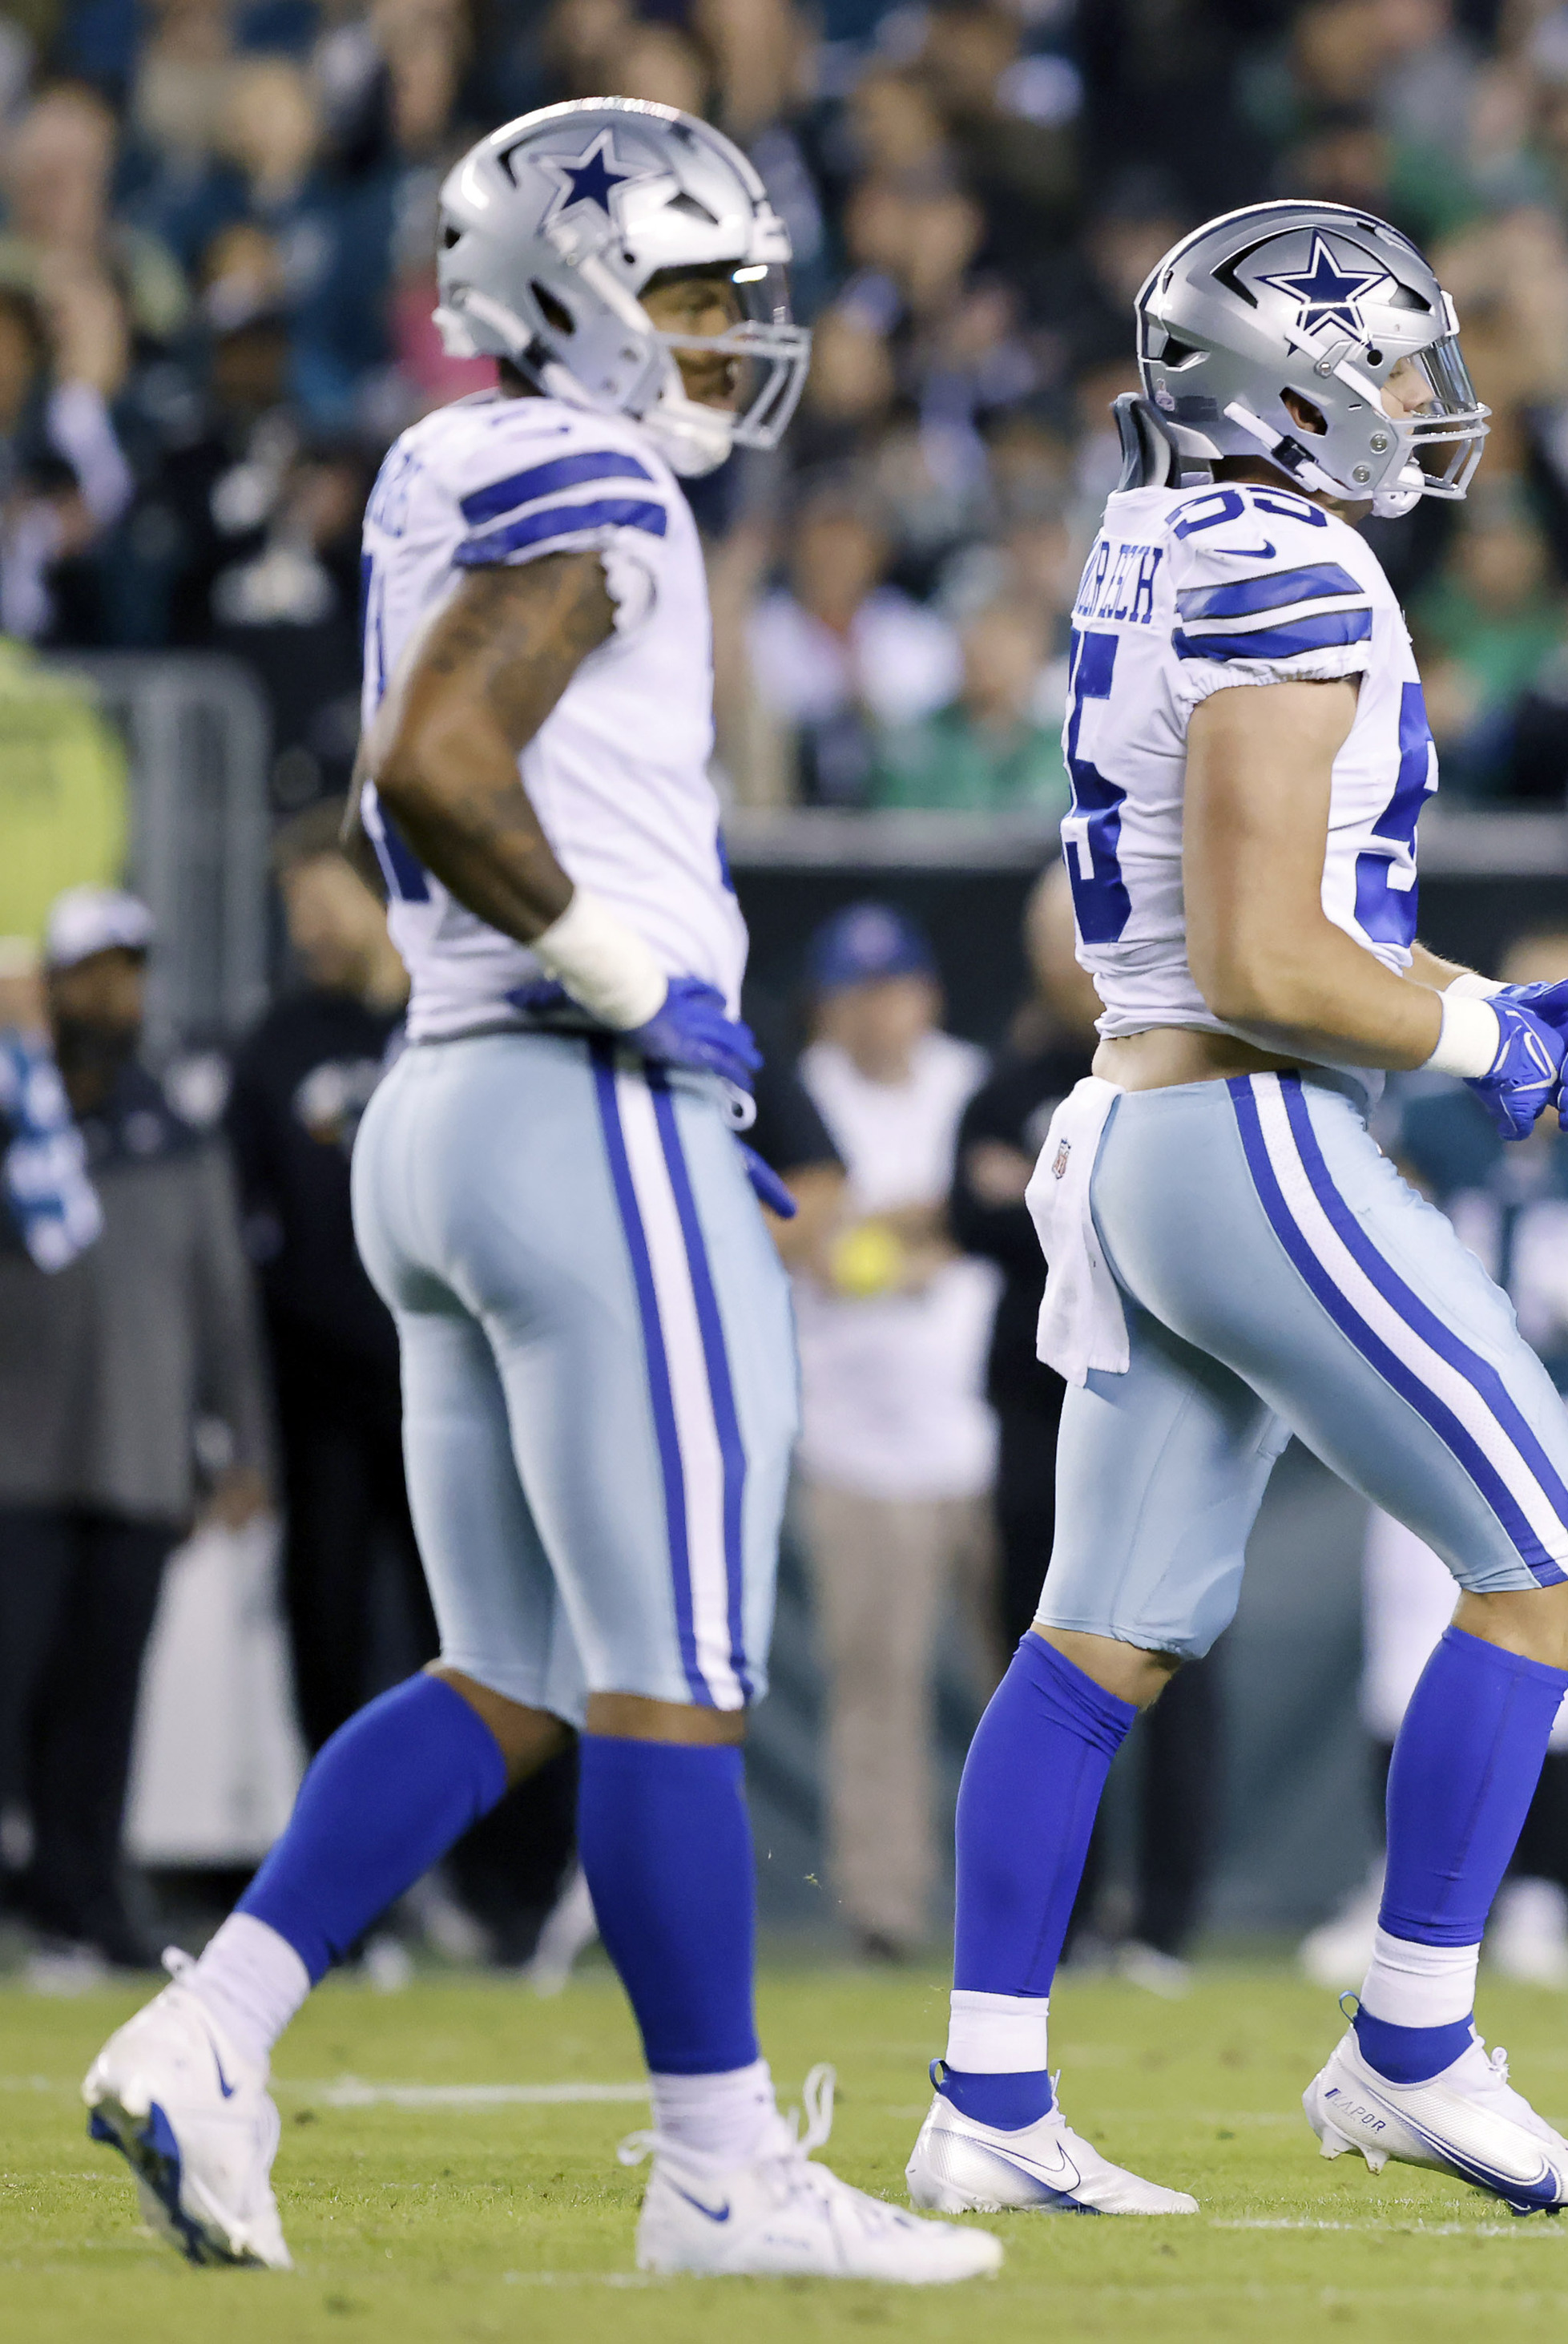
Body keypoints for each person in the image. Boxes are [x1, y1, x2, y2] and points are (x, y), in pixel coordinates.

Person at [79, 99, 998, 2283]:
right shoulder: (593, 482)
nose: (729, 338)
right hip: (575, 1087)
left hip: (453, 1099)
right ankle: (717, 2168)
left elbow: (440, 764)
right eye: (690, 295)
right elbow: (437, 762)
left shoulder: (441, 464)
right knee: (671, 1662)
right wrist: (634, 982)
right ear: (573, 299)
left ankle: (215, 2026)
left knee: (515, 1663)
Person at [903, 200, 1568, 2221]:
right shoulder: (1278, 559)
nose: (1419, 400)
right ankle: (1413, 2043)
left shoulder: (1160, 532)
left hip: (1148, 1130)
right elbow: (1259, 953)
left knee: (1097, 1637)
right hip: (1248, 1126)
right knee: (1549, 1555)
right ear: (1284, 379)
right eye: (1388, 361)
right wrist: (1485, 1024)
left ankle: (986, 2094)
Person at [1302, 926, 1568, 1992]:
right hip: (1434, 1411)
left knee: (1557, 1666)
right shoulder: (1429, 1114)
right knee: (1402, 1653)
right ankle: (1398, 1885)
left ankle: (1533, 1895)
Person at [227, 811, 578, 1962]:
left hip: (465, 1385)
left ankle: (513, 1895)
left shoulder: (465, 1014)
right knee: (330, 1641)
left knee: (491, 1646)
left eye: (319, 893)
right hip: (323, 1400)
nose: (307, 923)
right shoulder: (279, 1042)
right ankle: (354, 1904)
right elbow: (246, 1237)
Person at [952, 863, 1223, 1991]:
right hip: (1037, 1398)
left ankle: (1163, 1915)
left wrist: (1056, 1192)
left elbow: (1181, 1221)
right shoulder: (1006, 1076)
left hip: (1173, 1396)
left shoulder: (1187, 1060)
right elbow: (972, 1216)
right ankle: (1057, 1917)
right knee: (1048, 1652)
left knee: (1178, 1654)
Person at [1, 887, 272, 1976]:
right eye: (91, 971)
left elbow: (222, 1298)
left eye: (129, 971)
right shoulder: (17, 1115)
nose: (113, 992)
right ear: (53, 985)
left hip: (136, 1455)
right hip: (13, 1458)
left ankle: (82, 1897)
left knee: (104, 1700)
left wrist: (243, 1440)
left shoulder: (179, 1128)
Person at [789, 900, 1003, 1961]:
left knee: (1034, 1683)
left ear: (927, 993)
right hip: (857, 1443)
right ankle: (882, 1906)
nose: (880, 1012)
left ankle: (1041, 1902)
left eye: (895, 987)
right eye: (857, 992)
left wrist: (905, 1231)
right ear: (828, 1008)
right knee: (876, 1686)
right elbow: (822, 1249)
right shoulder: (801, 1099)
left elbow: (1013, 1214)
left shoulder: (971, 1082)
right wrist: (927, 1231)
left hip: (987, 1430)